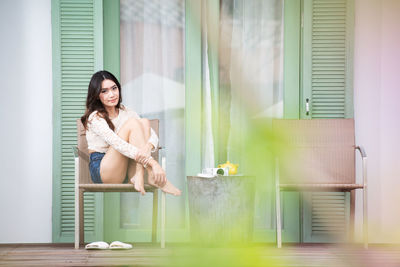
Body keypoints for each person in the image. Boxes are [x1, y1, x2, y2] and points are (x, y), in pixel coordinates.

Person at [80, 70, 181, 196]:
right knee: (134, 123)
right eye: (104, 91)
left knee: (143, 122)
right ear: (96, 95)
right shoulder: (95, 117)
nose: (111, 94)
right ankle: (150, 174)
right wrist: (153, 163)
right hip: (103, 169)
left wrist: (149, 147)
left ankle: (138, 174)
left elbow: (152, 135)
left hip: (126, 167)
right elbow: (117, 144)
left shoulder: (126, 111)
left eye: (114, 88)